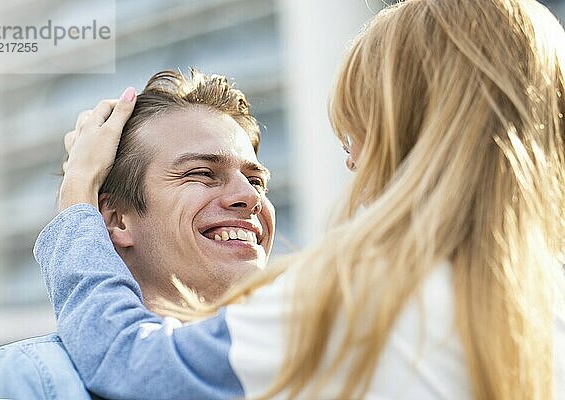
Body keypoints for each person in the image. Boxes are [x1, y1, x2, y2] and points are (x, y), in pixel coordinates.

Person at [33, 0, 565, 399]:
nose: (353, 163)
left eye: (364, 134)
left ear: (424, 137)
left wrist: (75, 196)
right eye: (201, 174)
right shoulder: (544, 296)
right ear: (117, 219)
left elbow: (133, 363)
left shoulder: (352, 298)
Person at [0, 69, 275, 399]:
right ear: (116, 219)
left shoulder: (297, 355)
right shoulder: (29, 377)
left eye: (256, 181)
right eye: (202, 173)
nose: (252, 196)